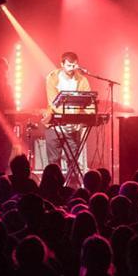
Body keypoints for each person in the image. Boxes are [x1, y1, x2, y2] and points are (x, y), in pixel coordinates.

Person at [44, 51, 92, 181]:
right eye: (69, 65)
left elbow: (88, 101)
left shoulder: (82, 80)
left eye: (74, 65)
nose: (72, 68)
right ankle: (55, 189)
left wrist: (85, 116)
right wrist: (70, 118)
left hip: (73, 128)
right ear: (62, 64)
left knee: (73, 162)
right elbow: (54, 103)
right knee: (53, 163)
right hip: (55, 126)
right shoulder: (52, 78)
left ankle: (73, 189)